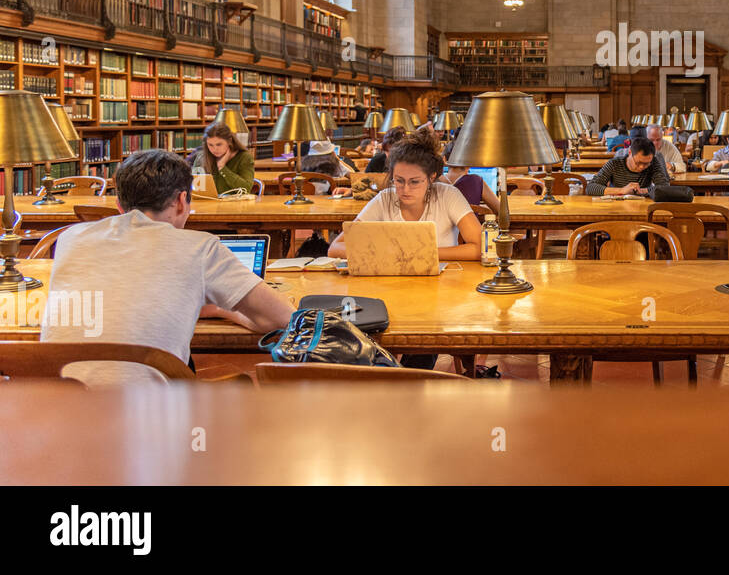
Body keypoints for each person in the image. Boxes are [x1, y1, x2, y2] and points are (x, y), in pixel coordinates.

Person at [40, 149, 293, 386]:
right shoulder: (200, 247)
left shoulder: (71, 237)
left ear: (119, 205)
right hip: (149, 421)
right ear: (182, 201)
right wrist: (222, 311)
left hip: (62, 412)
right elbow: (284, 318)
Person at [329, 130, 482, 261]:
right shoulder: (384, 199)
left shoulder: (448, 196)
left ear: (432, 177)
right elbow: (335, 248)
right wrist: (383, 254)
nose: (405, 189)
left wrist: (422, 253)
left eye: (415, 182)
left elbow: (479, 247)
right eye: (399, 181)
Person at [587, 136, 670, 197]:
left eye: (646, 164)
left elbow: (664, 187)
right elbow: (590, 187)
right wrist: (622, 190)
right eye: (638, 162)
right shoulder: (614, 164)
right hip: (615, 208)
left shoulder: (653, 162)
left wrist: (642, 191)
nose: (641, 167)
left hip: (642, 208)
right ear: (630, 153)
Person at [187, 122, 255, 194]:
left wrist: (222, 168)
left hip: (235, 203)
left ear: (229, 141)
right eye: (210, 145)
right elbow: (197, 189)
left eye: (219, 144)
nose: (214, 149)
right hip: (208, 203)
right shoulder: (202, 157)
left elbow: (246, 189)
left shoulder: (244, 157)